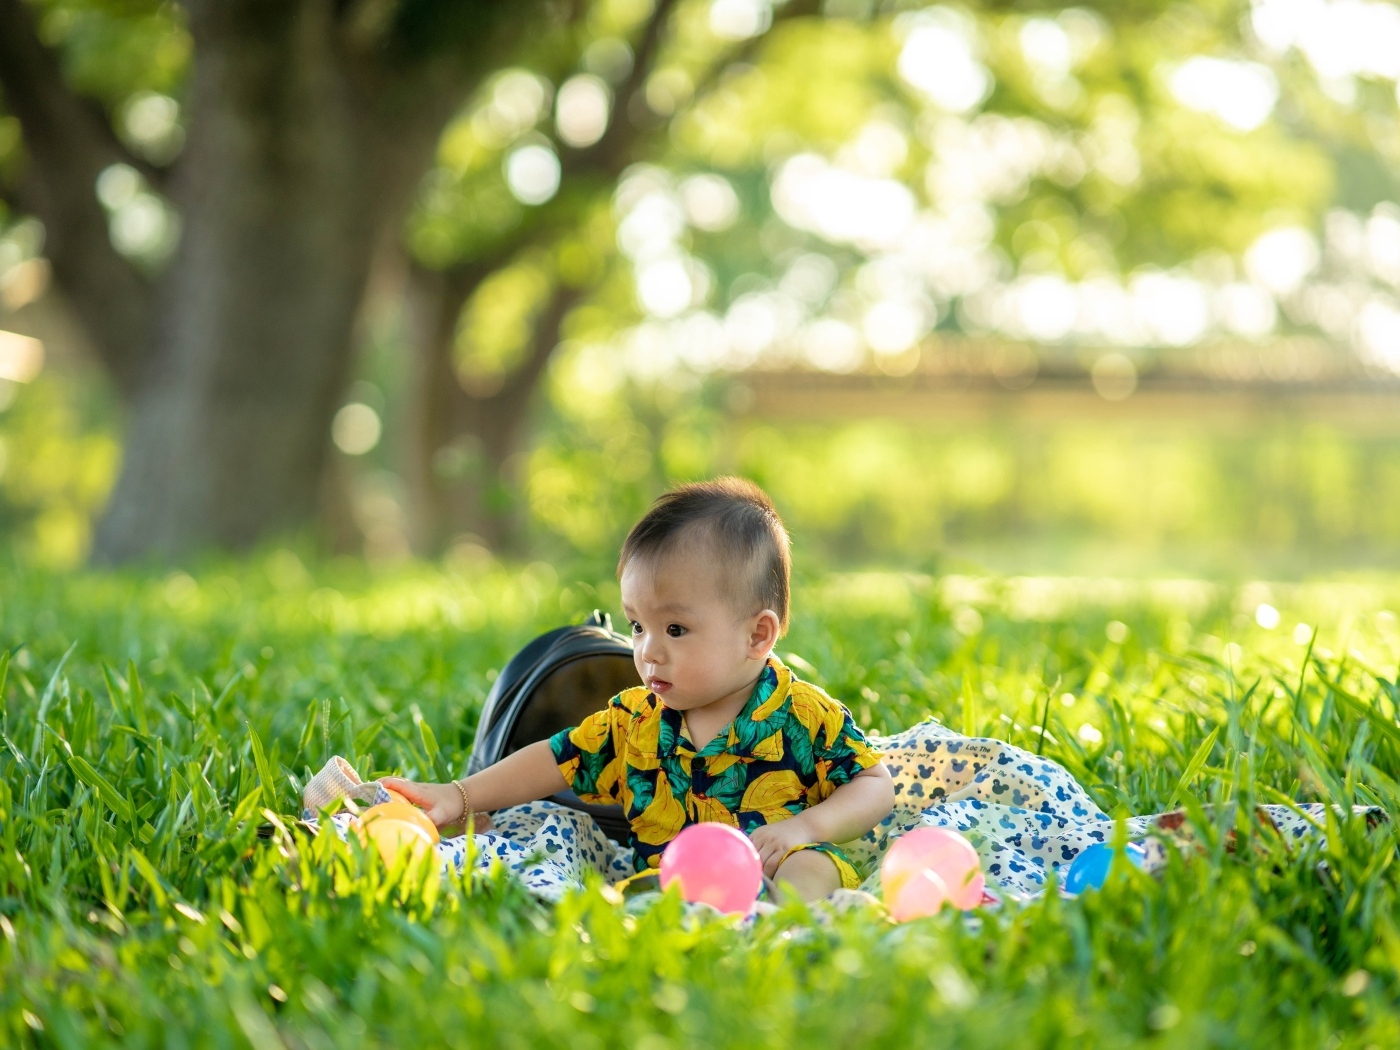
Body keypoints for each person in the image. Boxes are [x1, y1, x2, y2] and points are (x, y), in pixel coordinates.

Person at [386, 477, 895, 901]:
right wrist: (459, 795)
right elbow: (555, 759)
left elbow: (874, 783)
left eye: (674, 629)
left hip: (774, 863)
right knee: (626, 882)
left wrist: (807, 829)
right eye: (636, 626)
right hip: (667, 877)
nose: (647, 651)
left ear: (757, 634)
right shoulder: (634, 720)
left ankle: (781, 929)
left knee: (811, 870)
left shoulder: (804, 714)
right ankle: (672, 919)